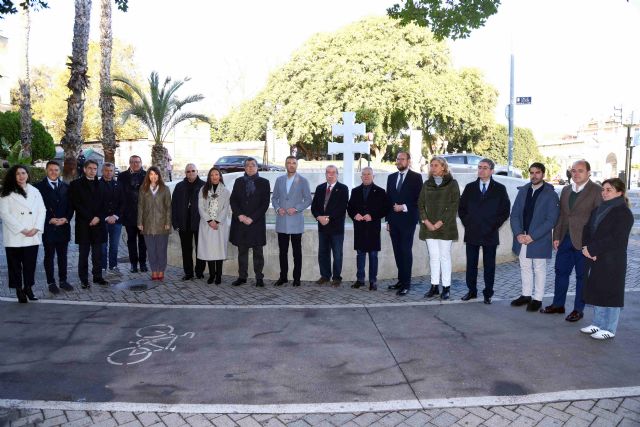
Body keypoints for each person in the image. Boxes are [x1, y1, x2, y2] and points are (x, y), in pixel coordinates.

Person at [542, 160, 602, 321]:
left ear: (589, 173)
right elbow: (562, 215)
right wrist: (557, 237)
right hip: (565, 240)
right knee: (560, 273)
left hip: (584, 243)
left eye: (580, 171)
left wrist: (593, 245)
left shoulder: (597, 191)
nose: (576, 174)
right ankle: (558, 305)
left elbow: (599, 220)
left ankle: (578, 309)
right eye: (573, 171)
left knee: (582, 277)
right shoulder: (567, 190)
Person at [580, 178, 634, 340]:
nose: (604, 192)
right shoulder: (599, 209)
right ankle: (597, 323)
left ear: (620, 192)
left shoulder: (624, 213)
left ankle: (609, 328)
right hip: (595, 256)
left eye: (608, 190)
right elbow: (587, 229)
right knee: (597, 289)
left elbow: (616, 238)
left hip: (612, 259)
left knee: (611, 291)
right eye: (603, 189)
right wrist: (587, 248)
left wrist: (592, 249)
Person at [458, 158, 511, 304]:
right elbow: (461, 209)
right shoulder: (470, 188)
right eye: (479, 167)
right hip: (472, 232)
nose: (481, 170)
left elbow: (505, 210)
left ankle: (488, 293)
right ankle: (472, 291)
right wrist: (468, 223)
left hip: (490, 233)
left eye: (485, 168)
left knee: (489, 266)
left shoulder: (500, 189)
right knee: (471, 265)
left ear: (492, 171)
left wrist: (494, 225)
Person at [510, 162, 560, 312]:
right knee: (524, 267)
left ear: (543, 174)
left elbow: (551, 220)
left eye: (537, 172)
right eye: (531, 173)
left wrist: (533, 236)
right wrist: (518, 233)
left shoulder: (550, 194)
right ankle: (526, 295)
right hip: (522, 236)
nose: (534, 175)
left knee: (539, 268)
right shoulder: (523, 190)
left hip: (539, 238)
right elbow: (515, 215)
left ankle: (537, 298)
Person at [0, 165, 46, 303]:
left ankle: (28, 287)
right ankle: (18, 289)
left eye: (23, 173)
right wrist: (22, 229)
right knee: (15, 265)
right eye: (18, 173)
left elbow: (42, 211)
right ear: (13, 176)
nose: (21, 176)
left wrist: (36, 228)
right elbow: (4, 214)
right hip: (15, 234)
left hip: (32, 234)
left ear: (27, 174)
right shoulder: (6, 192)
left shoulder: (35, 191)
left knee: (30, 264)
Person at [418, 157, 460, 301]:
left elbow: (454, 205)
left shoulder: (452, 184)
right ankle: (434, 286)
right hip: (429, 227)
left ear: (443, 167)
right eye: (431, 165)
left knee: (445, 257)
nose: (433, 168)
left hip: (446, 227)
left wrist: (440, 222)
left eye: (436, 165)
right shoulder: (426, 184)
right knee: (434, 257)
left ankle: (446, 287)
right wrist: (426, 221)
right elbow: (420, 204)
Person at [229, 157, 271, 287]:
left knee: (258, 252)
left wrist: (252, 218)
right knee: (242, 251)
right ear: (244, 168)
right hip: (241, 223)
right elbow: (233, 200)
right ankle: (242, 277)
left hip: (256, 223)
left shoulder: (264, 182)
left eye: (253, 165)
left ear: (257, 167)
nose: (250, 167)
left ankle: (259, 277)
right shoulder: (238, 181)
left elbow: (264, 204)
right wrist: (240, 215)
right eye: (247, 165)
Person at [385, 152, 423, 296]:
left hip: (408, 221)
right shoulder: (391, 177)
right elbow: (388, 200)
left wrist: (404, 207)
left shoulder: (416, 177)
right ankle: (400, 281)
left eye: (402, 159)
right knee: (397, 252)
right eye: (397, 159)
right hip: (393, 222)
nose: (399, 161)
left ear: (408, 161)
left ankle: (406, 284)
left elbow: (419, 200)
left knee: (405, 252)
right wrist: (388, 220)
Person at [271, 156, 312, 287]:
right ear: (285, 165)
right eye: (289, 163)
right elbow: (274, 198)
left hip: (296, 221)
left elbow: (308, 200)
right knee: (282, 252)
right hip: (282, 221)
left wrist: (296, 208)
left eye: (294, 163)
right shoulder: (279, 180)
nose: (291, 165)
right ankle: (283, 277)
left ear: (297, 165)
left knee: (296, 252)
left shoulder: (303, 181)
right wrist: (278, 208)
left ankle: (297, 279)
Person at [35, 161, 74, 293]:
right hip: (49, 228)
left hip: (63, 227)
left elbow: (71, 207)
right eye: (51, 170)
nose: (53, 172)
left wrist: (66, 218)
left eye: (56, 170)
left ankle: (63, 281)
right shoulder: (38, 187)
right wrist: (48, 220)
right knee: (49, 256)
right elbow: (36, 208)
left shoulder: (66, 187)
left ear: (60, 171)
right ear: (46, 170)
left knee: (63, 256)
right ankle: (51, 282)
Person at [347, 167, 388, 291]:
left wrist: (373, 216)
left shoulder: (381, 191)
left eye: (368, 174)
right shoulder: (355, 191)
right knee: (360, 254)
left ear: (373, 176)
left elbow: (385, 209)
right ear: (361, 177)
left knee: (373, 255)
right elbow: (350, 207)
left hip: (373, 228)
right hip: (359, 228)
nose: (366, 176)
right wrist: (355, 215)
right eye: (363, 174)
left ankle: (372, 281)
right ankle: (360, 280)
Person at [69, 159, 108, 288]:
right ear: (85, 169)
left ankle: (97, 277)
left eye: (95, 169)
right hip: (84, 225)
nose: (92, 171)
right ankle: (84, 279)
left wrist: (98, 217)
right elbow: (76, 204)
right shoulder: (75, 184)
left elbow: (105, 205)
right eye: (90, 168)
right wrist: (90, 217)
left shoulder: (102, 184)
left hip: (99, 224)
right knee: (83, 255)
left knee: (98, 254)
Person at [310, 165, 349, 286]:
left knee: (337, 254)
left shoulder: (343, 188)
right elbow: (314, 207)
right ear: (325, 174)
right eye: (328, 172)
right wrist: (318, 217)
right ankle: (325, 276)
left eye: (333, 172)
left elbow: (342, 208)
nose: (330, 175)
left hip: (336, 228)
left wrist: (328, 218)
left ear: (337, 174)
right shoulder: (320, 188)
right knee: (323, 253)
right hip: (322, 227)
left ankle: (337, 278)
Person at [171, 163, 206, 280]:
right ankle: (188, 273)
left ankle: (200, 272)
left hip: (199, 223)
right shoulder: (179, 186)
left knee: (200, 249)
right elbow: (174, 206)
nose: (190, 173)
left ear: (197, 171)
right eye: (188, 171)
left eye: (193, 171)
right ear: (185, 173)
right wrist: (175, 223)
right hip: (184, 223)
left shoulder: (204, 186)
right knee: (186, 250)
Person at [137, 166, 172, 281]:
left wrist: (168, 222)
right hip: (147, 225)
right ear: (148, 176)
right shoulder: (143, 189)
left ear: (159, 175)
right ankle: (154, 270)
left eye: (155, 174)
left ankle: (161, 270)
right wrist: (140, 222)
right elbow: (140, 207)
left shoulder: (165, 189)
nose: (153, 176)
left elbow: (168, 207)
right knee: (151, 250)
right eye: (151, 174)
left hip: (162, 224)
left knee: (161, 250)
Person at [197, 167, 231, 285]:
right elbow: (201, 207)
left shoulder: (225, 191)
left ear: (220, 176)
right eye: (212, 175)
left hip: (219, 226)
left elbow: (225, 208)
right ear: (209, 177)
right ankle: (211, 275)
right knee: (209, 250)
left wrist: (216, 221)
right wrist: (209, 220)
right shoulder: (203, 190)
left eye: (216, 174)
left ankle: (219, 276)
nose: (214, 177)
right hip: (206, 225)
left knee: (218, 250)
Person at [119, 155, 147, 273]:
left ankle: (143, 263)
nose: (136, 164)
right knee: (131, 241)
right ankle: (133, 264)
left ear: (141, 163)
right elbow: (120, 195)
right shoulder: (122, 176)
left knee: (143, 241)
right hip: (129, 215)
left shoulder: (147, 175)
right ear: (129, 163)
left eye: (138, 162)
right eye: (133, 162)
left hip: (143, 215)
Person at [99, 162, 123, 273]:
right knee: (102, 247)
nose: (109, 173)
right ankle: (102, 266)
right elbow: (95, 204)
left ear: (114, 172)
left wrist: (115, 216)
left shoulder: (119, 185)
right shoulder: (97, 185)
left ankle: (113, 266)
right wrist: (105, 217)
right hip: (102, 221)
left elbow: (123, 203)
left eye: (111, 171)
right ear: (102, 171)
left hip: (116, 221)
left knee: (114, 246)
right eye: (106, 170)